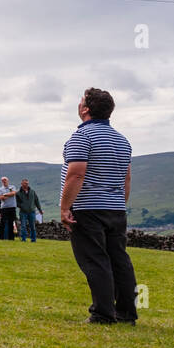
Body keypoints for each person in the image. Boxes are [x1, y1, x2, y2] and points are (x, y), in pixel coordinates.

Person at [61, 89, 136, 324]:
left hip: (88, 208)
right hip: (115, 208)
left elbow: (76, 174)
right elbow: (126, 178)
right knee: (119, 260)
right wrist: (118, 204)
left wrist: (64, 208)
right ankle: (126, 312)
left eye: (81, 101)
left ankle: (103, 313)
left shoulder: (82, 137)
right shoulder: (122, 140)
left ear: (85, 109)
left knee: (95, 259)